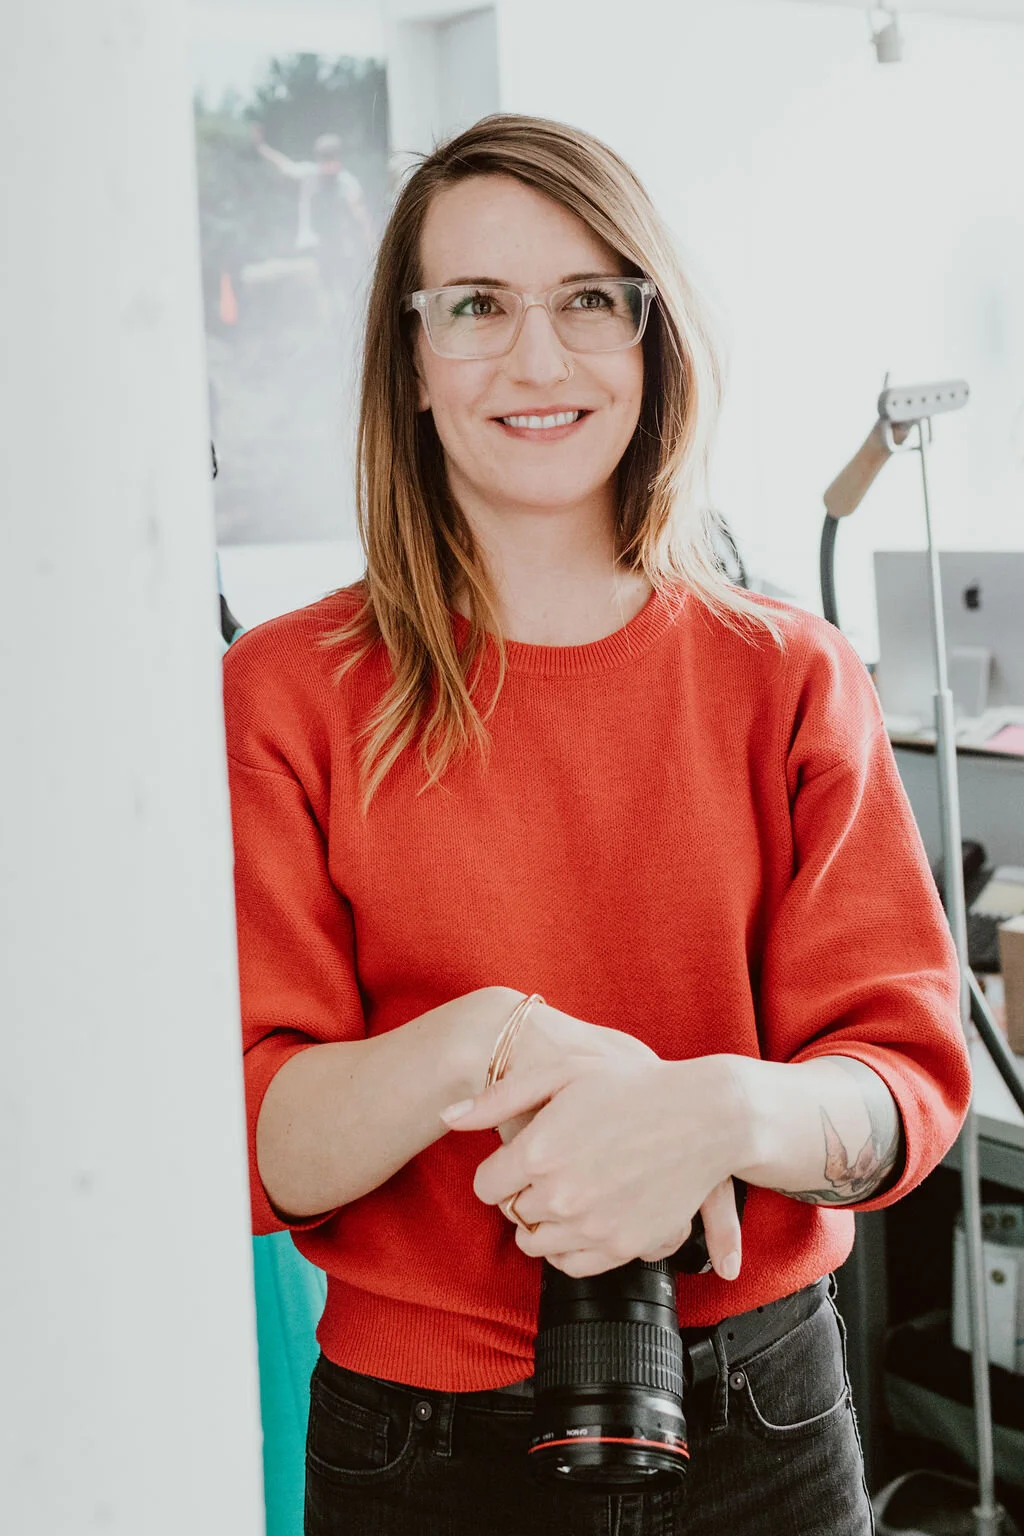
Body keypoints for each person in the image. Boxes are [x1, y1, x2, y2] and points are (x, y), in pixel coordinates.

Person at [222, 115, 971, 1535]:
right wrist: (494, 1036)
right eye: (477, 308)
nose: (539, 359)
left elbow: (903, 1090)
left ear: (650, 339)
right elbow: (258, 1142)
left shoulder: (791, 676)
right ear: (412, 359)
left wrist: (716, 1109)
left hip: (764, 1416)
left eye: (587, 301)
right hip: (415, 1447)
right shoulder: (282, 695)